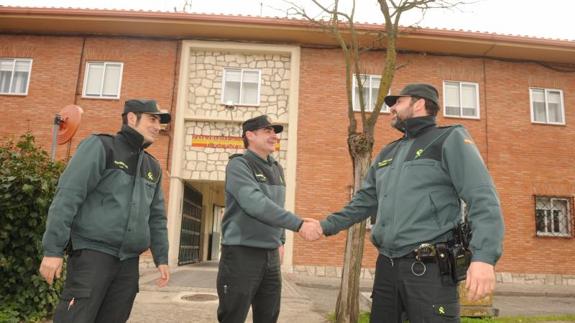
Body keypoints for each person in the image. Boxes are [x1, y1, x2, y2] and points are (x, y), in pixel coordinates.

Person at [300, 83, 505, 322]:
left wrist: (483, 257)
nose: (391, 109)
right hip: (387, 269)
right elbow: (362, 203)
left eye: (397, 102)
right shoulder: (388, 153)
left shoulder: (449, 139)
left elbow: (482, 197)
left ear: (418, 103)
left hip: (430, 273)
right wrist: (325, 226)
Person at [39, 99, 172, 323]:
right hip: (92, 256)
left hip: (128, 263)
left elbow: (157, 217)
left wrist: (162, 257)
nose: (157, 127)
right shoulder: (101, 146)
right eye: (152, 119)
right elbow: (68, 197)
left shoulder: (153, 166)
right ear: (132, 118)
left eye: (159, 122)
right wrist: (53, 250)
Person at [217, 115, 314, 323]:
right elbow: (255, 203)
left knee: (268, 316)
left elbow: (276, 207)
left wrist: (281, 240)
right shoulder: (239, 165)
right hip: (241, 253)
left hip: (270, 256)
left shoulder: (277, 168)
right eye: (267, 131)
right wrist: (298, 224)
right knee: (233, 316)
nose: (274, 136)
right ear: (250, 135)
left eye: (275, 132)